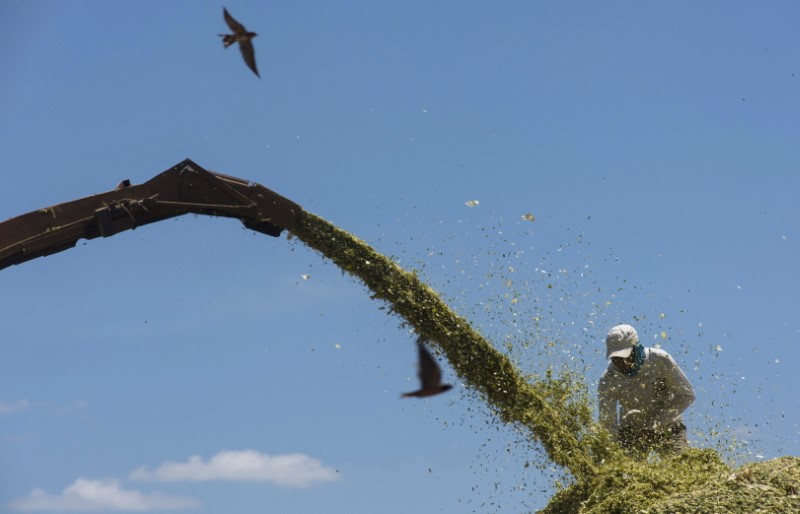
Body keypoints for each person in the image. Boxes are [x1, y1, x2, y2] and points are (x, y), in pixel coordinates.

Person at [598, 324, 695, 455]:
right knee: (625, 474)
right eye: (616, 359)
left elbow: (686, 395)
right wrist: (612, 453)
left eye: (624, 357)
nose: (621, 363)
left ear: (636, 348)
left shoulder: (660, 360)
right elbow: (608, 424)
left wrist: (655, 425)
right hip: (631, 434)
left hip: (668, 426)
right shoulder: (608, 380)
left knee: (680, 467)